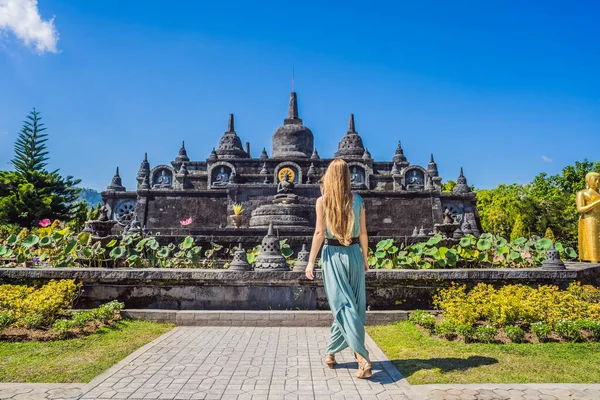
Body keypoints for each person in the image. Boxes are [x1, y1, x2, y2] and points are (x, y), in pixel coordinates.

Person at [305, 158, 372, 379]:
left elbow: (319, 233)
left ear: (329, 177)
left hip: (332, 255)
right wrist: (364, 257)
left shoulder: (322, 201)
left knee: (343, 306)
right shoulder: (358, 200)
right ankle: (331, 351)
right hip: (353, 253)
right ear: (346, 177)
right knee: (349, 305)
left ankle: (362, 358)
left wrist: (310, 261)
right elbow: (363, 233)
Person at [576, 172, 600, 263]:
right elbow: (580, 209)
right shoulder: (582, 193)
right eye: (595, 179)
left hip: (599, 219)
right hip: (589, 221)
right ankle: (592, 264)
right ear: (587, 181)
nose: (597, 182)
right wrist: (597, 202)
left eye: (599, 180)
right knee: (592, 244)